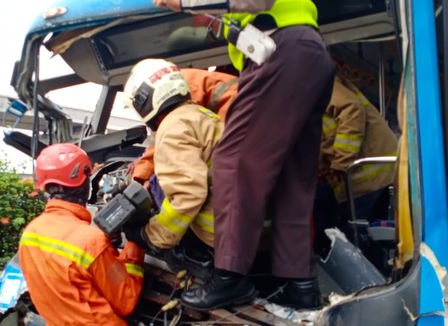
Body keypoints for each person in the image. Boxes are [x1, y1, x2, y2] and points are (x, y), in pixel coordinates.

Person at [154, 0, 335, 310]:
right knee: (293, 176)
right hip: (306, 52)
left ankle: (230, 277)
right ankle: (300, 283)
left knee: (234, 162)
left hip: (280, 49)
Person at [18, 143, 144, 325]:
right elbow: (126, 301)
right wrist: (135, 241)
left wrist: (106, 248)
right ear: (83, 180)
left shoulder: (31, 233)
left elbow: (68, 282)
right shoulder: (91, 242)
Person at [121, 59, 224, 255]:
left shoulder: (173, 128)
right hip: (246, 222)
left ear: (145, 99)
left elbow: (188, 195)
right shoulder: (200, 114)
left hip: (220, 235)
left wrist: (150, 235)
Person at [314, 75, 398, 253]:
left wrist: (341, 162)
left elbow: (352, 108)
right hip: (370, 173)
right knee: (370, 237)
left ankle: (367, 278)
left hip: (364, 175)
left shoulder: (315, 82)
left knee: (353, 240)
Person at [132, 68, 238, 189]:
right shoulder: (169, 91)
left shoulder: (182, 93)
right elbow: (159, 144)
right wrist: (140, 177)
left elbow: (225, 146)